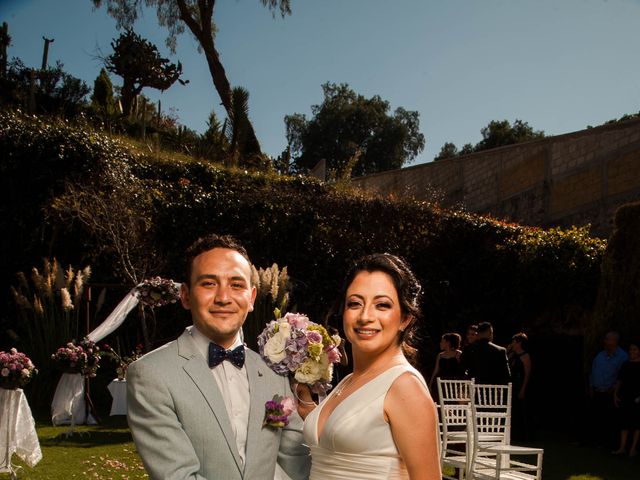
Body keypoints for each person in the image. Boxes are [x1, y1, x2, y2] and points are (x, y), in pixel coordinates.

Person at [126, 234, 310, 480]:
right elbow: (178, 475)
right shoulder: (151, 374)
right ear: (185, 295)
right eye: (209, 283)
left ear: (252, 298)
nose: (224, 298)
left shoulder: (273, 373)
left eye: (236, 285)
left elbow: (294, 462)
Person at [301, 253, 441, 479]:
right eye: (355, 303)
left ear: (405, 318)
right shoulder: (348, 381)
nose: (365, 316)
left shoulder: (405, 387)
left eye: (382, 305)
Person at [589, 331, 629, 448]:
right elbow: (593, 371)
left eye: (607, 339)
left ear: (614, 341)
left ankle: (609, 443)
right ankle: (597, 441)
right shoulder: (600, 355)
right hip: (597, 391)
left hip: (610, 393)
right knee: (597, 418)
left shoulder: (622, 357)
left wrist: (614, 388)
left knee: (610, 420)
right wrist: (591, 386)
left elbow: (622, 375)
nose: (605, 341)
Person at [613, 340, 640, 457]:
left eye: (634, 349)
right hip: (625, 396)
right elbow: (620, 380)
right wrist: (615, 394)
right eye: (630, 349)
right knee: (624, 423)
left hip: (637, 399)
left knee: (637, 424)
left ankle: (633, 449)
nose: (631, 352)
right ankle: (622, 447)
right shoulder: (625, 364)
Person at [509, 332, 532, 440]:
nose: (512, 343)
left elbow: (527, 373)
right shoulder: (512, 355)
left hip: (520, 384)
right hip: (512, 385)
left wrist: (523, 389)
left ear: (519, 343)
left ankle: (524, 435)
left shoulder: (525, 356)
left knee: (522, 410)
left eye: (514, 342)